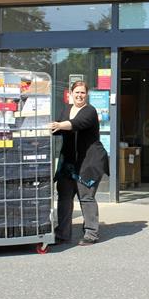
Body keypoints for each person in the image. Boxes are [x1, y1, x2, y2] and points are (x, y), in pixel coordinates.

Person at [49, 81, 108, 246]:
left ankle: (91, 234)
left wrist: (59, 124)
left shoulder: (89, 111)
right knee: (64, 197)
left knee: (86, 197)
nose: (79, 95)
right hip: (69, 162)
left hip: (89, 162)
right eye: (77, 92)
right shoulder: (66, 110)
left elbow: (77, 124)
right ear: (71, 94)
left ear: (86, 95)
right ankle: (62, 234)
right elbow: (58, 129)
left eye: (82, 93)